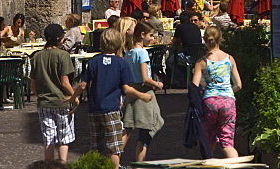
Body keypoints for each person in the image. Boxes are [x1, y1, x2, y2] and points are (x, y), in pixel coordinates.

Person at [71, 26, 152, 168]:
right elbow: (126, 88)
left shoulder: (94, 61)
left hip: (94, 108)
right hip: (111, 109)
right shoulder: (121, 63)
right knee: (114, 146)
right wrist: (142, 95)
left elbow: (83, 85)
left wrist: (73, 97)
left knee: (96, 145)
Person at [192, 25, 242, 158]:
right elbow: (239, 85)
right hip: (228, 102)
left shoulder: (201, 62)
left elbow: (194, 86)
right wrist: (227, 92)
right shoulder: (230, 59)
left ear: (204, 39)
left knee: (208, 140)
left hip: (210, 101)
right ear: (221, 39)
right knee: (227, 142)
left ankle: (208, 164)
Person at [29, 23, 76, 164]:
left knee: (48, 138)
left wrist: (39, 95)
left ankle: (48, 166)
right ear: (58, 38)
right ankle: (61, 165)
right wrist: (75, 97)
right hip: (62, 101)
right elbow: (65, 82)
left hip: (44, 102)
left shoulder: (37, 56)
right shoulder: (63, 55)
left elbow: (33, 84)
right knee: (64, 138)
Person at [122, 21, 164, 163]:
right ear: (142, 35)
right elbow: (145, 78)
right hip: (144, 91)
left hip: (131, 89)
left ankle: (114, 159)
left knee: (127, 127)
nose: (151, 38)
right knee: (147, 129)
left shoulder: (128, 53)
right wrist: (157, 84)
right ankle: (140, 163)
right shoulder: (143, 53)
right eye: (150, 35)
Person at [166, 12, 204, 85]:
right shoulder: (196, 27)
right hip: (198, 55)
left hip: (187, 55)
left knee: (170, 61)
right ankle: (187, 77)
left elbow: (174, 43)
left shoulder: (180, 27)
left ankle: (181, 79)